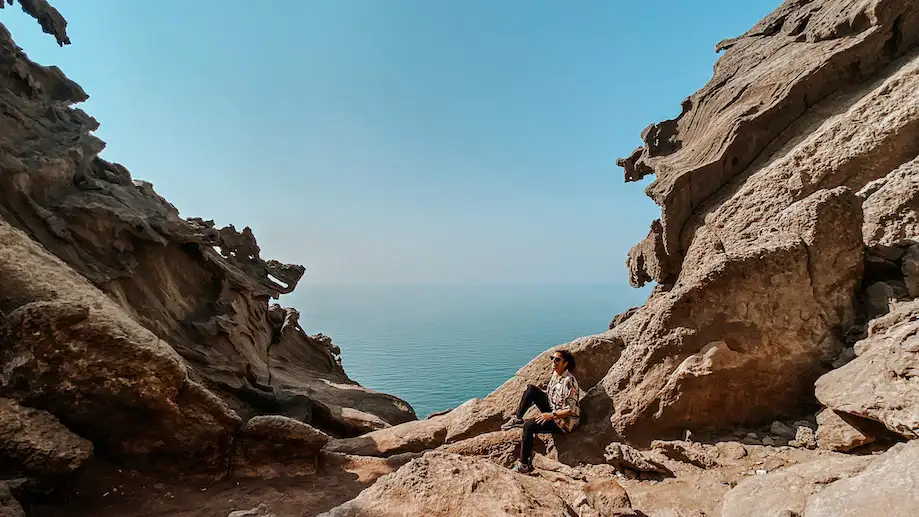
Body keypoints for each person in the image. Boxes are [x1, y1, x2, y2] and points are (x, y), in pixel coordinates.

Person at [501, 349, 580, 474]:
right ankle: (517, 419)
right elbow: (550, 395)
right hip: (554, 408)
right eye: (552, 358)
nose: (553, 361)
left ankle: (524, 465)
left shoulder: (569, 382)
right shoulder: (555, 374)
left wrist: (550, 415)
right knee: (531, 390)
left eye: (557, 360)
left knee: (528, 426)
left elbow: (571, 410)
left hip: (563, 421)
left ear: (565, 363)